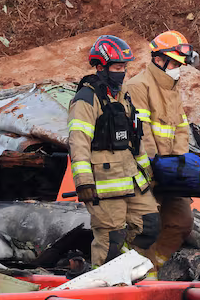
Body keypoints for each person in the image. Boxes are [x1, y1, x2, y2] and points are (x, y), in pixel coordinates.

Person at [67, 35, 159, 267]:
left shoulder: (122, 96)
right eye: (118, 67)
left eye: (124, 67)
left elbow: (133, 138)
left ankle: (128, 266)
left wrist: (148, 172)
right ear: (101, 67)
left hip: (130, 175)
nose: (123, 72)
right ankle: (107, 283)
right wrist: (83, 181)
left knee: (150, 223)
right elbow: (78, 141)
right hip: (103, 182)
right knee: (111, 238)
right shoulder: (86, 99)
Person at [125, 30, 199, 271]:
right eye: (176, 63)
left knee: (182, 221)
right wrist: (154, 166)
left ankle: (153, 267)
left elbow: (181, 128)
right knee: (145, 225)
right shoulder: (138, 86)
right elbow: (141, 132)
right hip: (146, 170)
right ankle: (133, 271)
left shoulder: (172, 88)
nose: (179, 69)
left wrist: (177, 164)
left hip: (169, 170)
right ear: (159, 59)